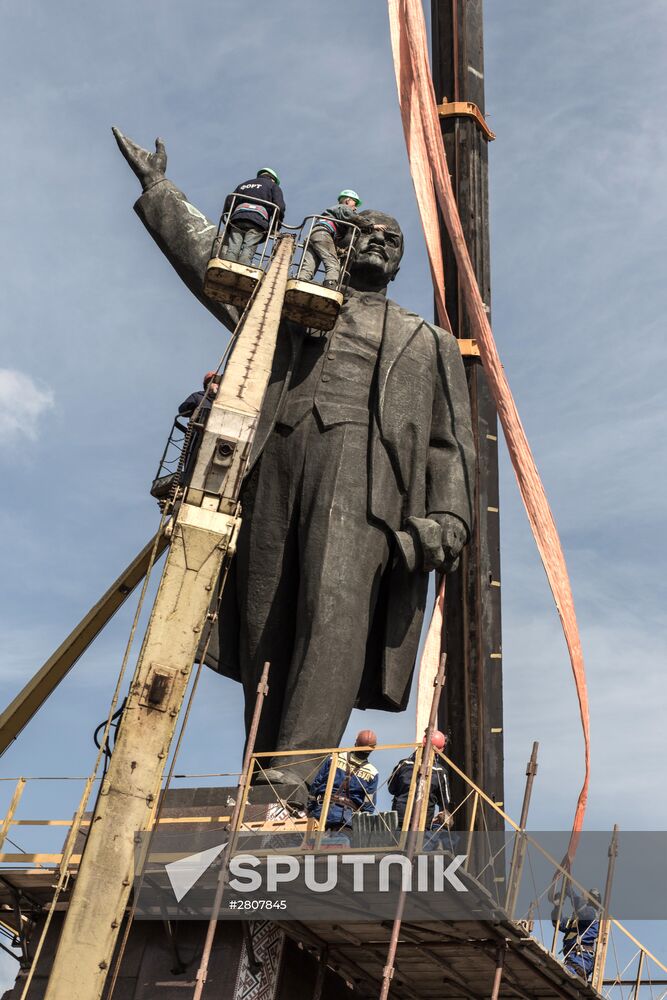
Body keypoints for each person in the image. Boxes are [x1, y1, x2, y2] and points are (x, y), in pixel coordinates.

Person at [113, 129, 476, 789]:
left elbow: (447, 443)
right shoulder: (296, 304)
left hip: (366, 489)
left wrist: (444, 523)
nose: (376, 243)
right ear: (343, 241)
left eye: (390, 241)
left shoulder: (428, 344)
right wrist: (159, 190)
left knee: (332, 617)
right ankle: (261, 771)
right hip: (274, 463)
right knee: (264, 617)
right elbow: (213, 264)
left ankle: (292, 774)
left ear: (398, 265)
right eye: (366, 232)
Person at [299, 189, 373, 288]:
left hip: (314, 235)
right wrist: (371, 225)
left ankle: (301, 281)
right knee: (333, 265)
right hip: (323, 234)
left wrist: (340, 251)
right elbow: (354, 217)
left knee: (309, 265)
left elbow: (328, 244)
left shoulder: (334, 212)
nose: (355, 208)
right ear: (347, 201)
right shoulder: (343, 208)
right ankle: (330, 287)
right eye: (354, 204)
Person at [307, 730, 378, 830]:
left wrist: (310, 808)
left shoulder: (335, 757)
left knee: (310, 844)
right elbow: (369, 803)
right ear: (372, 749)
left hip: (321, 812)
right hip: (345, 820)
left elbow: (317, 783)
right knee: (340, 844)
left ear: (356, 743)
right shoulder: (372, 772)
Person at [388, 731, 451, 831]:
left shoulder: (404, 764)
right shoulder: (440, 772)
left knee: (398, 845)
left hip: (398, 819)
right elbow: (445, 801)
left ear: (422, 743)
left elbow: (391, 788)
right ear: (441, 750)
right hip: (423, 822)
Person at [221, 168, 285, 265]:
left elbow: (229, 201)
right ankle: (242, 268)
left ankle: (227, 266)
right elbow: (279, 207)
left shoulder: (243, 185)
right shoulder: (273, 186)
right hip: (257, 220)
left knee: (233, 246)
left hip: (238, 219)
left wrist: (229, 216)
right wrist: (276, 226)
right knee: (249, 248)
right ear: (273, 180)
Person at [551, 885, 601, 980]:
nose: (583, 897)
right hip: (572, 959)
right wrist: (557, 907)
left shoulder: (592, 913)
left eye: (585, 896)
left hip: (581, 959)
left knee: (561, 976)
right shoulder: (577, 920)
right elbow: (559, 923)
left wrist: (571, 893)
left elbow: (582, 911)